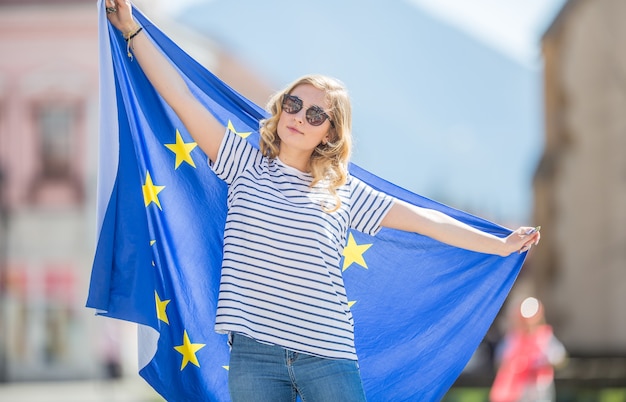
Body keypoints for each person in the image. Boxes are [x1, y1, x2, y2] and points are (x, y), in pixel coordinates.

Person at [105, 1, 541, 400]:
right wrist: (131, 30)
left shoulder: (342, 191)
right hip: (255, 358)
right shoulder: (241, 162)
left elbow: (426, 221)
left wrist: (500, 243)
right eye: (294, 104)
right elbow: (179, 97)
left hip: (328, 358)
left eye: (316, 114)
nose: (299, 117)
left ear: (330, 133)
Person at [490, 297, 567, 402]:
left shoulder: (544, 337)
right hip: (518, 389)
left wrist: (542, 363)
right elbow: (500, 359)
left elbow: (559, 358)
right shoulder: (513, 338)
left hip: (540, 388)